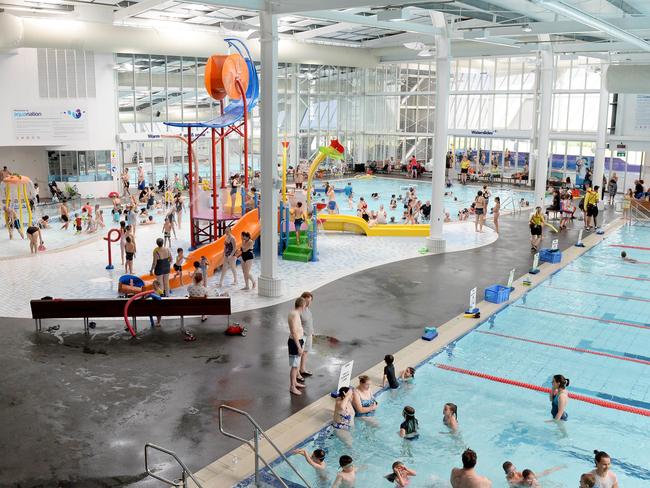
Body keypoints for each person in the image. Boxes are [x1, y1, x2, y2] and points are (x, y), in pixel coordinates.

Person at [288, 297, 306, 395]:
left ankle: (295, 382)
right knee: (295, 366)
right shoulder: (294, 315)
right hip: (295, 342)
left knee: (296, 365)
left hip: (297, 341)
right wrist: (299, 346)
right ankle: (292, 387)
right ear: (302, 305)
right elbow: (294, 332)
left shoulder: (294, 313)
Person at [299, 291, 314, 377]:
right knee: (299, 355)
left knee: (305, 352)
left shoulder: (307, 309)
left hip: (309, 334)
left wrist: (312, 331)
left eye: (310, 301)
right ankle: (297, 374)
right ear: (302, 300)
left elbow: (309, 321)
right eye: (307, 301)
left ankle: (302, 369)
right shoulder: (300, 310)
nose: (309, 303)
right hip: (302, 335)